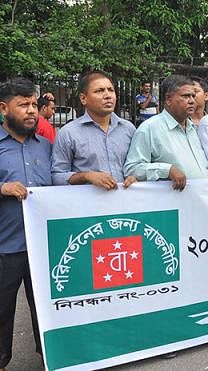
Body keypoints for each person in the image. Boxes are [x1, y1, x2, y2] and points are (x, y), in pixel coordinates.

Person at [0, 78, 52, 371]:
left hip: (43, 245)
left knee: (46, 305)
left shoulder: (45, 146)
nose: (32, 111)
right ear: (4, 108)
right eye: (23, 105)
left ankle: (49, 356)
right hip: (6, 245)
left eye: (34, 104)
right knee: (2, 308)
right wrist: (2, 188)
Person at [125, 74, 208, 191]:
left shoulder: (194, 129)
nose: (192, 101)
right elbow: (132, 169)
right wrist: (167, 170)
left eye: (193, 95)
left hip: (203, 201)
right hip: (174, 203)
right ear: (168, 100)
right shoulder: (149, 128)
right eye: (186, 96)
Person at [52, 71, 137, 190]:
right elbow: (57, 176)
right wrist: (87, 176)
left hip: (126, 204)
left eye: (111, 90)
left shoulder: (129, 129)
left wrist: (135, 177)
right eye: (99, 91)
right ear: (83, 99)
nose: (108, 95)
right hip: (88, 206)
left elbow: (137, 166)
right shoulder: (68, 133)